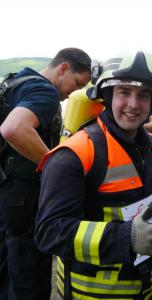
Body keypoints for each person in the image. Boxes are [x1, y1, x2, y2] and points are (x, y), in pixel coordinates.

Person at [35, 50, 152, 299]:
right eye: (124, 92)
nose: (134, 104)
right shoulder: (76, 154)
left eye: (144, 95)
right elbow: (50, 231)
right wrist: (127, 236)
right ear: (107, 96)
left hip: (144, 290)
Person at [0, 47, 91, 299]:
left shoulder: (15, 80)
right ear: (62, 68)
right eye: (76, 83)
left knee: (7, 269)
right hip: (24, 197)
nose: (73, 92)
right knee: (30, 275)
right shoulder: (45, 91)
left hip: (5, 189)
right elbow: (13, 128)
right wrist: (53, 166)